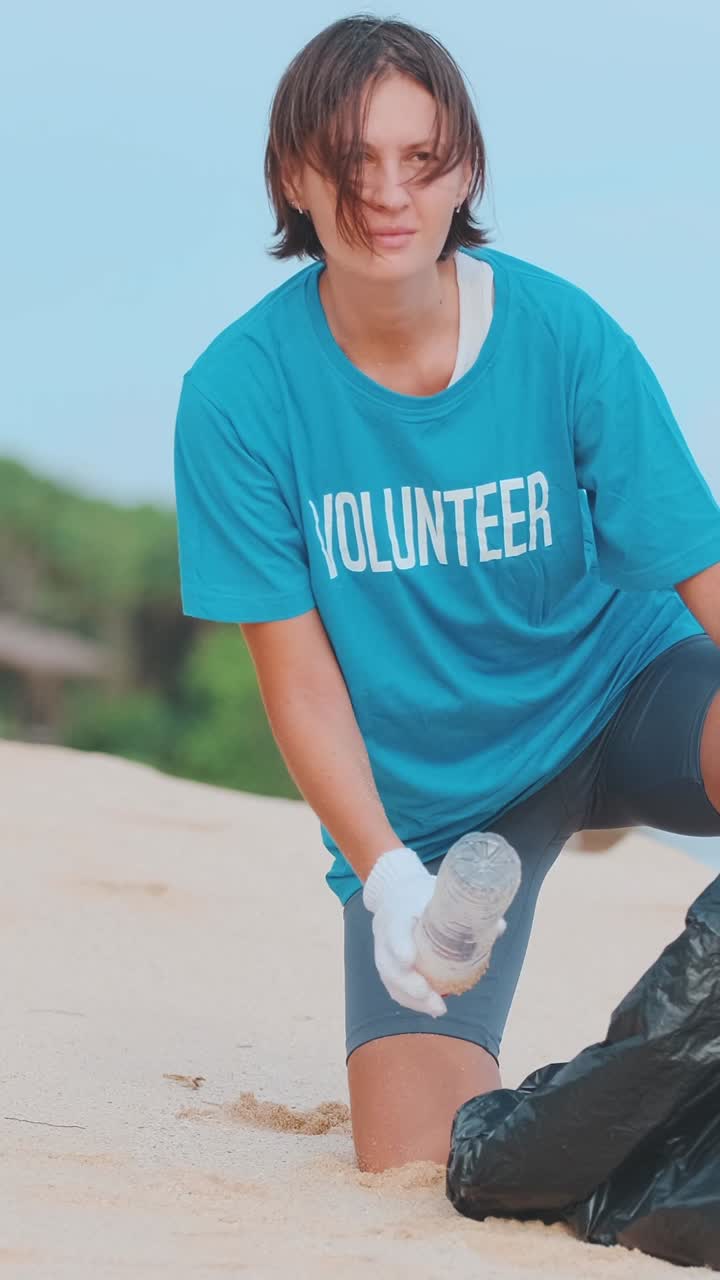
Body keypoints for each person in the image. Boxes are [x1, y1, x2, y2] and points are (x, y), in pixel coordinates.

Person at [173, 14, 720, 1174]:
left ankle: (614, 812)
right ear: (291, 175)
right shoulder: (236, 396)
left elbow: (702, 569)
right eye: (351, 160)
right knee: (416, 1165)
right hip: (442, 812)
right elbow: (300, 680)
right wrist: (384, 870)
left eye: (420, 159)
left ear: (464, 170)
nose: (388, 193)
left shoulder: (563, 336)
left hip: (621, 688)